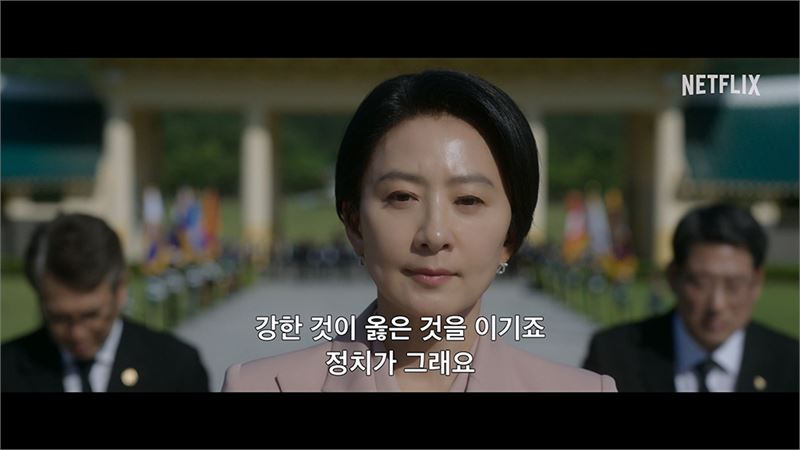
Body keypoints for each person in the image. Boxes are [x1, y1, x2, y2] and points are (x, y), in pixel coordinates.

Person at [223, 69, 617, 392]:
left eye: (468, 200)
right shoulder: (260, 387)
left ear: (510, 236)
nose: (434, 234)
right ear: (355, 223)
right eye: (402, 197)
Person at [583, 204, 799, 392]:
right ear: (673, 277)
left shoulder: (791, 364)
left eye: (733, 285)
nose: (717, 304)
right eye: (701, 283)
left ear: (757, 283)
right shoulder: (614, 355)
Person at [1, 213, 210, 392]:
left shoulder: (176, 368)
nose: (77, 333)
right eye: (59, 318)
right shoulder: (7, 370)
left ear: (120, 289)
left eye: (91, 315)